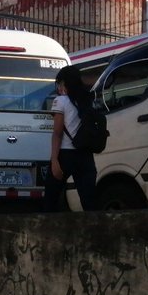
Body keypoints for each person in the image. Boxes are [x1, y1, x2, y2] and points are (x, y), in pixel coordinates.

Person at [44, 65, 98, 212]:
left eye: (59, 84)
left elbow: (57, 133)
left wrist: (54, 160)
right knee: (89, 202)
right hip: (86, 155)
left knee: (50, 199)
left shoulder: (60, 101)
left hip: (65, 155)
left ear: (64, 83)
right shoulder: (88, 100)